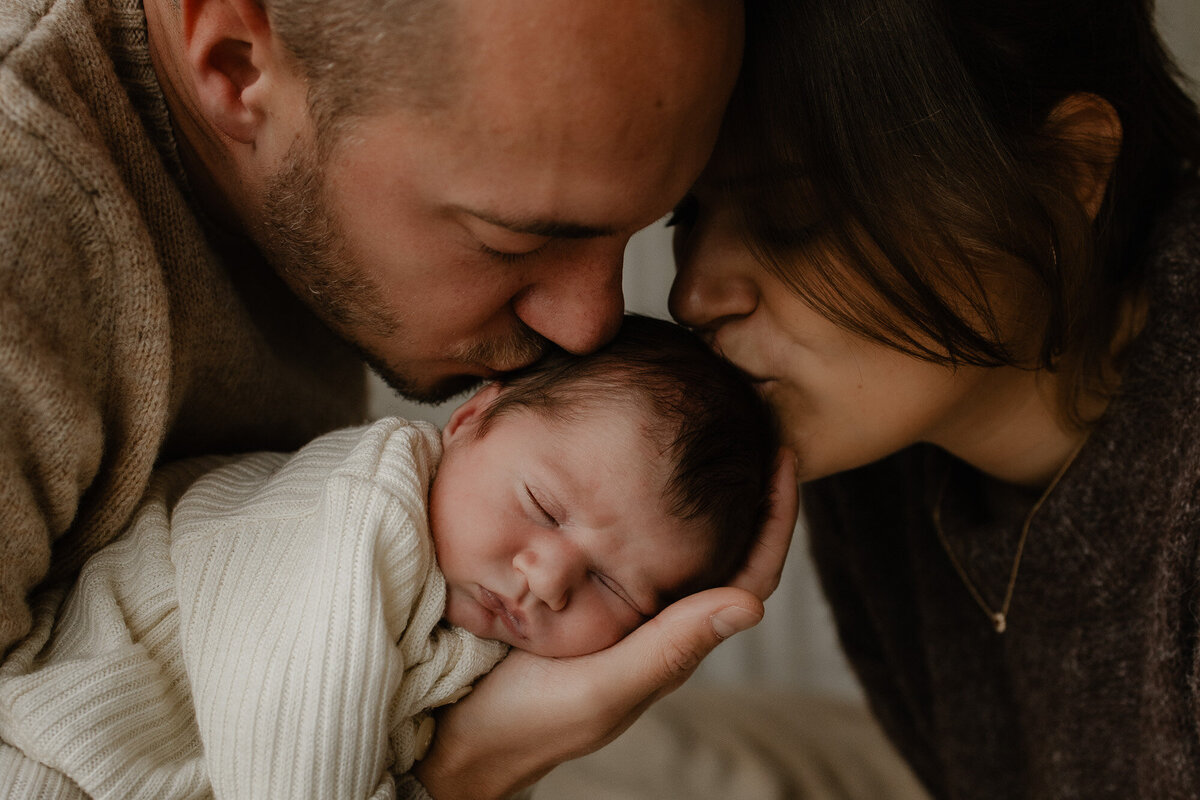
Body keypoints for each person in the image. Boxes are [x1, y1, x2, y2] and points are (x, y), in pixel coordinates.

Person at [2, 0, 800, 797]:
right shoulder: (23, 219)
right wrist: (467, 769)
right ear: (238, 65)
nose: (591, 325)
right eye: (514, 238)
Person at [669, 0, 1200, 796]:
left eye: (792, 210)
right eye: (689, 213)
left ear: (1070, 170)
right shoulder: (858, 458)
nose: (692, 294)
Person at [0, 315, 779, 799]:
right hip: (51, 758)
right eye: (541, 506)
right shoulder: (363, 513)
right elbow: (292, 748)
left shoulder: (476, 631)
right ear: (472, 420)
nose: (547, 578)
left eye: (613, 585)